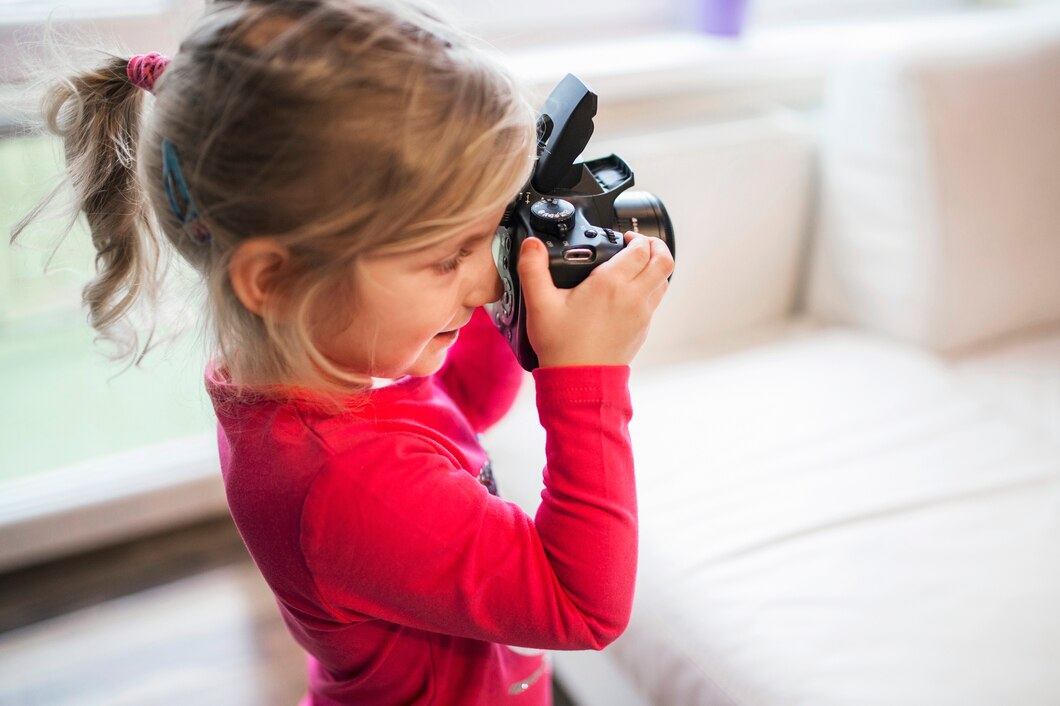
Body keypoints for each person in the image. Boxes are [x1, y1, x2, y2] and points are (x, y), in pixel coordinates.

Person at [12, 0, 674, 703]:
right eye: (449, 256)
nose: (485, 277)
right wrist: (587, 377)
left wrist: (512, 286)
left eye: (486, 236)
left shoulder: (325, 374)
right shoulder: (345, 483)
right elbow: (581, 604)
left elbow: (463, 412)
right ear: (277, 279)